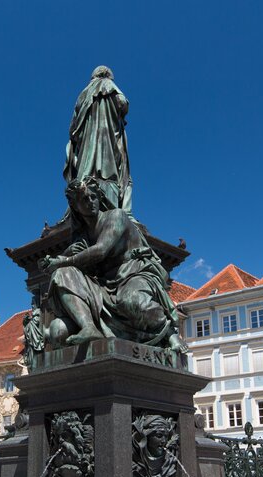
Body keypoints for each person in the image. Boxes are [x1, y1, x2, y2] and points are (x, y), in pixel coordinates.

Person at [40, 178, 187, 354]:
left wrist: (63, 261)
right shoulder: (83, 236)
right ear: (75, 205)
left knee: (131, 302)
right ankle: (89, 328)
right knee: (61, 287)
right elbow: (71, 261)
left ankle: (169, 333)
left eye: (93, 197)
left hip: (133, 274)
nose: (91, 202)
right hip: (103, 285)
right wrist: (56, 260)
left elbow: (101, 250)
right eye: (84, 200)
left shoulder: (116, 216)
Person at [63, 66, 133, 218]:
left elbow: (73, 128)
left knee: (85, 167)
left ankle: (84, 190)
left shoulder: (83, 93)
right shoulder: (108, 84)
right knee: (109, 168)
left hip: (86, 144)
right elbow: (123, 104)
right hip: (107, 138)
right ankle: (107, 195)